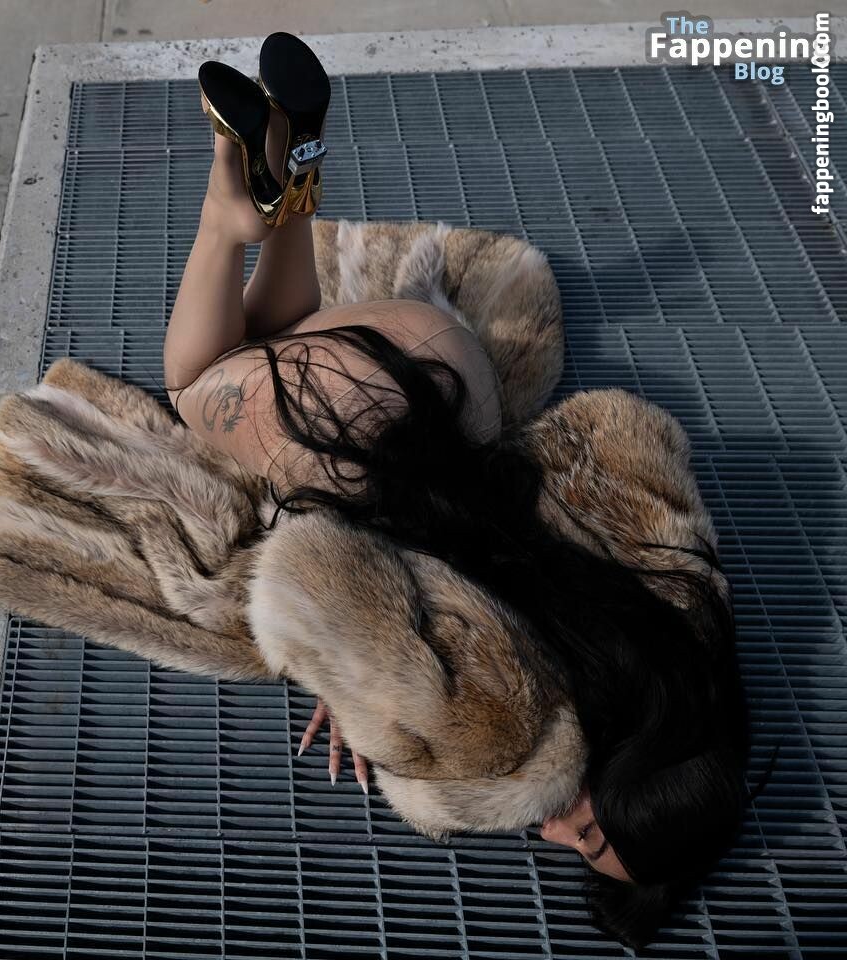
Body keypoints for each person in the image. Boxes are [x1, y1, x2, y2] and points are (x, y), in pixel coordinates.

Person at [167, 37, 754, 949]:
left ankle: (293, 155)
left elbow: (616, 435)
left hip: (449, 369)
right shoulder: (512, 733)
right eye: (590, 833)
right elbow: (313, 572)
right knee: (196, 381)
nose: (555, 833)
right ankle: (227, 210)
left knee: (281, 335)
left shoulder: (674, 637)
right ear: (630, 788)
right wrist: (352, 680)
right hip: (353, 432)